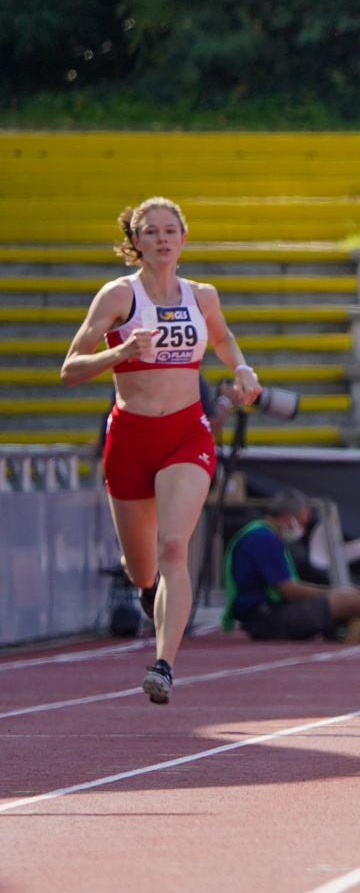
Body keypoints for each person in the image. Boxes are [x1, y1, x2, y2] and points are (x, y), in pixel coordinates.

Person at [60, 196, 263, 703]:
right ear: (135, 243)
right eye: (150, 231)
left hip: (184, 434)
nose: (162, 239)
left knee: (175, 546)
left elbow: (224, 338)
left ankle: (164, 664)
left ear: (184, 238)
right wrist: (122, 350)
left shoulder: (203, 296)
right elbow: (70, 369)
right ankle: (152, 594)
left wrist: (241, 368)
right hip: (130, 437)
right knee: (142, 569)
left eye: (171, 230)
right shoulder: (117, 296)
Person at [222, 490, 360, 642]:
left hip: (265, 614)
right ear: (288, 517)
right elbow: (289, 590)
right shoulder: (263, 538)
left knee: (348, 597)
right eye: (302, 522)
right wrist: (336, 592)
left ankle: (346, 629)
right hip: (265, 618)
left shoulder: (260, 533)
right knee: (351, 600)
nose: (303, 528)